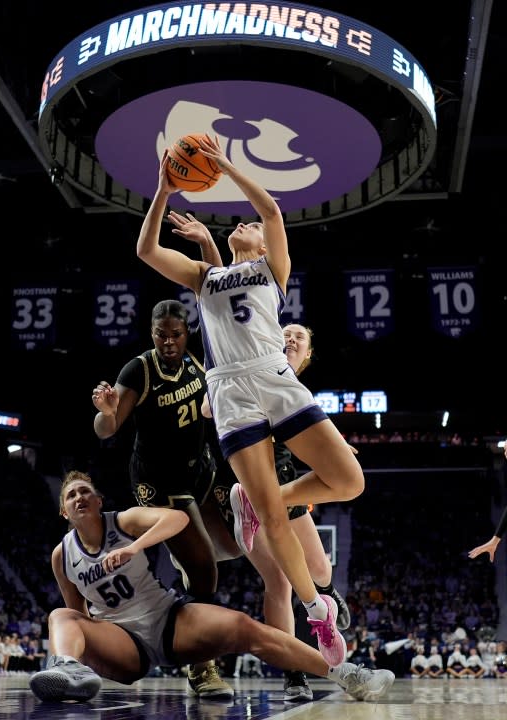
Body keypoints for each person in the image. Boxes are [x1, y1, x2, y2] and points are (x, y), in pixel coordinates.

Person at [136, 133, 365, 668]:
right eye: (243, 225)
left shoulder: (271, 270)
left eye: (252, 228)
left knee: (350, 481)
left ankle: (271, 499)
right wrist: (163, 189)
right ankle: (317, 611)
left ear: (262, 246)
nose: (244, 224)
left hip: (274, 376)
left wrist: (226, 165)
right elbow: (146, 250)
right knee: (270, 516)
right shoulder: (205, 278)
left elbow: (270, 209)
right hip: (232, 388)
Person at [29, 470, 395, 703]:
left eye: (84, 492)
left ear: (98, 501)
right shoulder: (63, 556)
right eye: (71, 495)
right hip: (122, 642)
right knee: (61, 615)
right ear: (63, 511)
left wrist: (135, 547)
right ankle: (67, 670)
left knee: (244, 627)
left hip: (168, 620)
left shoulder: (123, 521)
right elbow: (78, 615)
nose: (79, 497)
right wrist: (95, 652)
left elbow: (175, 518)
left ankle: (347, 675)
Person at [91, 298, 235, 698]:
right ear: (151, 334)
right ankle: (200, 666)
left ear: (186, 333)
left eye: (175, 335)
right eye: (161, 335)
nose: (168, 342)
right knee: (205, 571)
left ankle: (184, 555)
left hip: (199, 470)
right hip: (160, 484)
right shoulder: (139, 369)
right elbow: (107, 429)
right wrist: (106, 411)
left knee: (241, 543)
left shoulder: (196, 363)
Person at [203, 321, 352, 702]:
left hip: (283, 478)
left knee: (319, 568)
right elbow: (208, 406)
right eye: (285, 333)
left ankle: (327, 592)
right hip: (238, 473)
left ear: (307, 355)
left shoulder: (296, 390)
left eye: (300, 336)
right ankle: (294, 673)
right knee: (280, 581)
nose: (290, 338)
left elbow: (315, 427)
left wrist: (337, 448)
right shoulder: (249, 365)